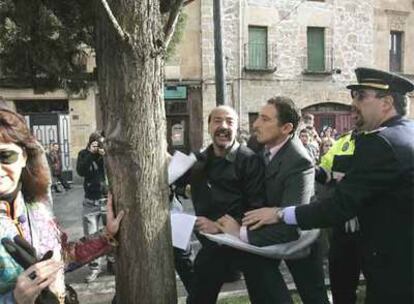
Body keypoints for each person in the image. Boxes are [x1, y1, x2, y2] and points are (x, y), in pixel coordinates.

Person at [243, 67, 414, 304]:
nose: (353, 104)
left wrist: (281, 214)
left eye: (361, 96)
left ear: (386, 103)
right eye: (353, 96)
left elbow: (338, 207)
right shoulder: (405, 133)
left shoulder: (381, 143)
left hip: (396, 270)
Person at [0, 107, 124, 303]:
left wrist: (106, 234)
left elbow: (63, 258)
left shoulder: (38, 208)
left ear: (24, 156)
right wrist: (13, 299)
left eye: (5, 156)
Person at [218, 97, 329, 304]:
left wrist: (239, 232)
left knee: (313, 295)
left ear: (286, 128)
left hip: (301, 239)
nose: (255, 124)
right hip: (264, 231)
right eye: (258, 117)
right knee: (261, 284)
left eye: (265, 119)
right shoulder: (256, 143)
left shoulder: (299, 161)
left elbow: (292, 225)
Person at [178, 105, 294, 304]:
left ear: (237, 128)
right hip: (213, 246)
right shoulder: (198, 161)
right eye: (217, 121)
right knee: (199, 297)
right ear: (208, 127)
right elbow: (176, 183)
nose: (223, 126)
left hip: (246, 243)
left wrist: (219, 226)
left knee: (269, 297)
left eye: (229, 122)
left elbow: (256, 206)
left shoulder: (249, 160)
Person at [317, 128, 362, 304]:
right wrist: (312, 170)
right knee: (342, 284)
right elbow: (326, 173)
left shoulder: (387, 137)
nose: (355, 106)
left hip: (376, 227)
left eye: (361, 98)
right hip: (343, 226)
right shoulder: (344, 141)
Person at [76, 132, 111, 283]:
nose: (99, 147)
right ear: (91, 144)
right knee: (91, 238)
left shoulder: (106, 156)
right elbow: (81, 171)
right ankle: (94, 268)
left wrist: (106, 156)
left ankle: (112, 262)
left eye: (101, 144)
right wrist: (91, 153)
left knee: (110, 234)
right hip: (90, 202)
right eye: (97, 144)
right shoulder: (84, 154)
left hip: (105, 201)